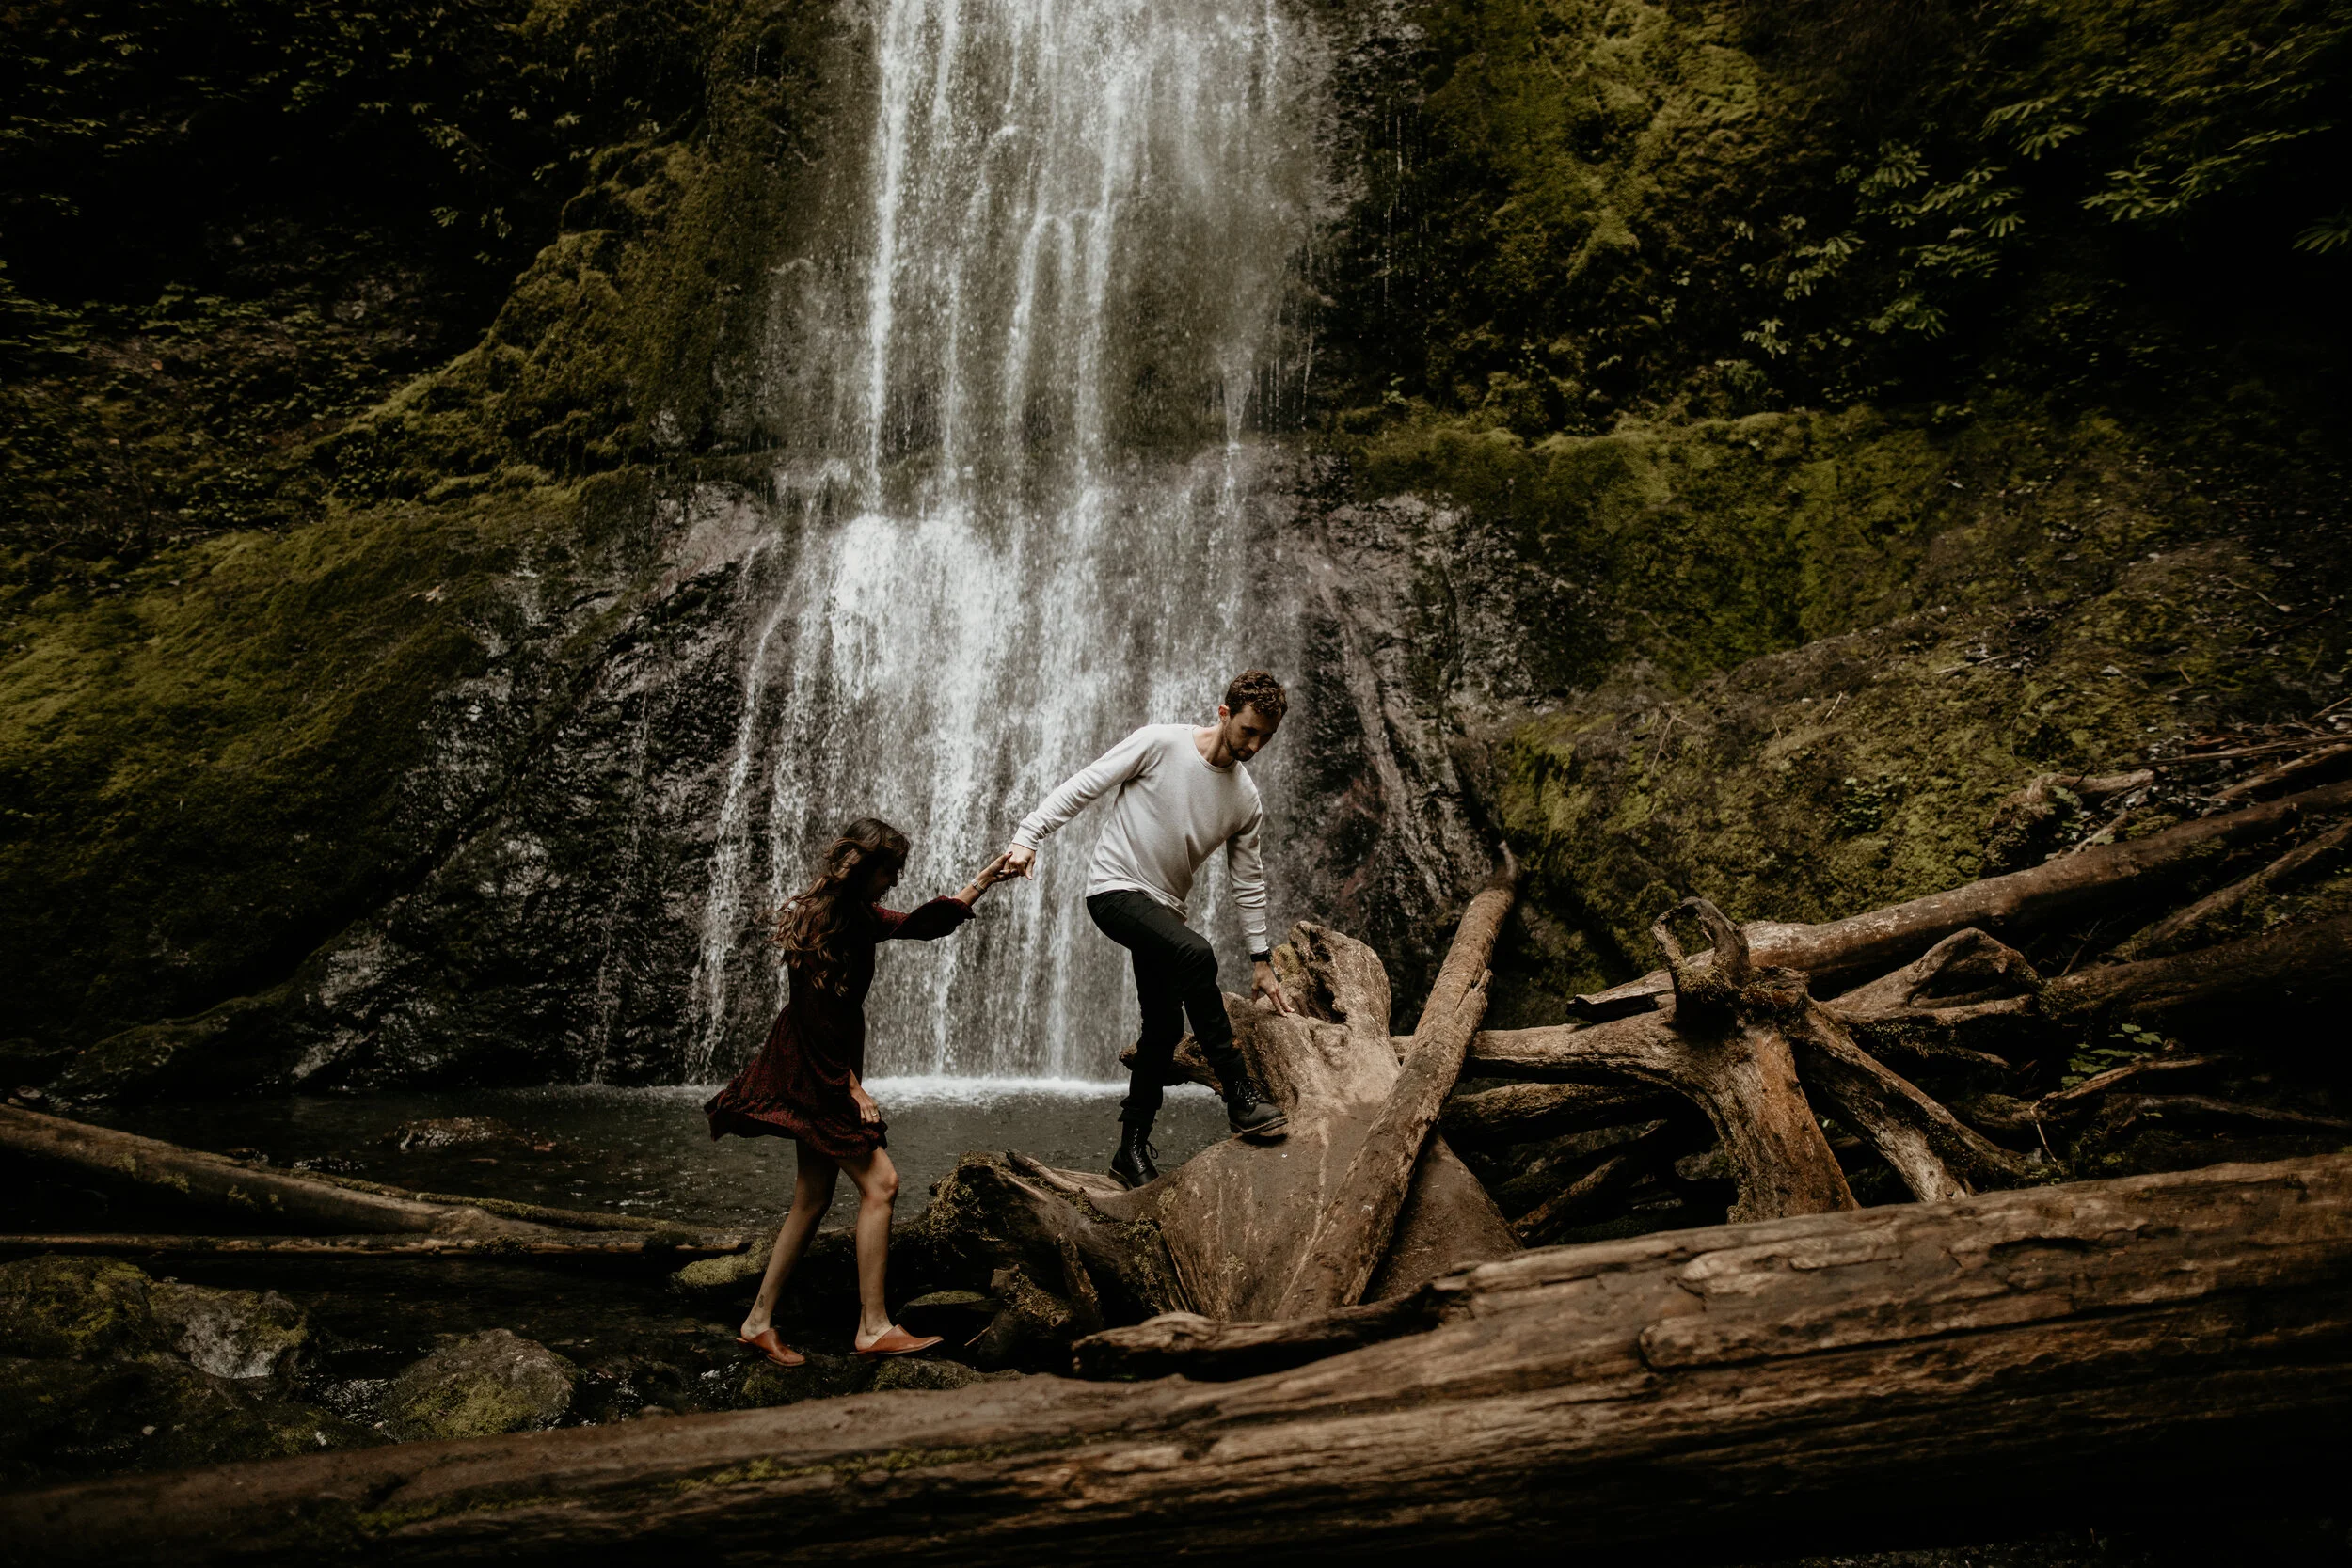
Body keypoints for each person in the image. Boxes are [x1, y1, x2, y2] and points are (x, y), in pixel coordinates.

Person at [706, 817, 1012, 1367]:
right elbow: (810, 1012)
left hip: (824, 1059)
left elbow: (924, 925)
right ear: (866, 865)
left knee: (812, 1197)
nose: (895, 879)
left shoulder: (856, 915)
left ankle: (757, 1322)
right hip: (817, 1065)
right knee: (882, 1184)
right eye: (890, 870)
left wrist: (985, 880)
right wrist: (851, 1087)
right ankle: (872, 1326)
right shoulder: (825, 918)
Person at [1002, 669, 1294, 1190]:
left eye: (1266, 737)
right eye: (1248, 731)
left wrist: (1261, 958)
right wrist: (1029, 835)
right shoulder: (1160, 743)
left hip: (1164, 911)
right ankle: (1240, 1095)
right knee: (1197, 954)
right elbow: (1086, 784)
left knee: (1162, 1029)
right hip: (1113, 891)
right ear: (1224, 713)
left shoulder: (1246, 801)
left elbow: (1248, 880)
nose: (1255, 745)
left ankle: (1129, 1149)